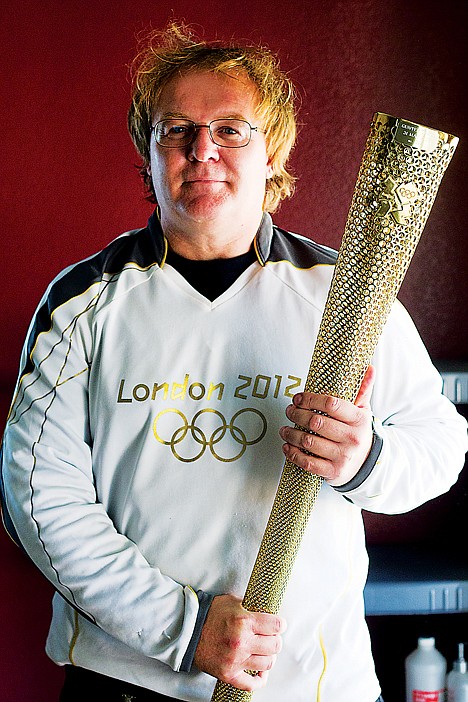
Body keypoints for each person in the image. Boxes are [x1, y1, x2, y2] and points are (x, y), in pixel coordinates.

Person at [1, 22, 466, 702]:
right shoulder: (83, 304)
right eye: (176, 130)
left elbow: (442, 446)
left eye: (231, 129)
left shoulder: (349, 295)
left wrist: (366, 460)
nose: (202, 150)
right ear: (148, 151)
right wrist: (183, 628)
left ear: (271, 149)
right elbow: (36, 503)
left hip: (311, 683)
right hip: (126, 680)